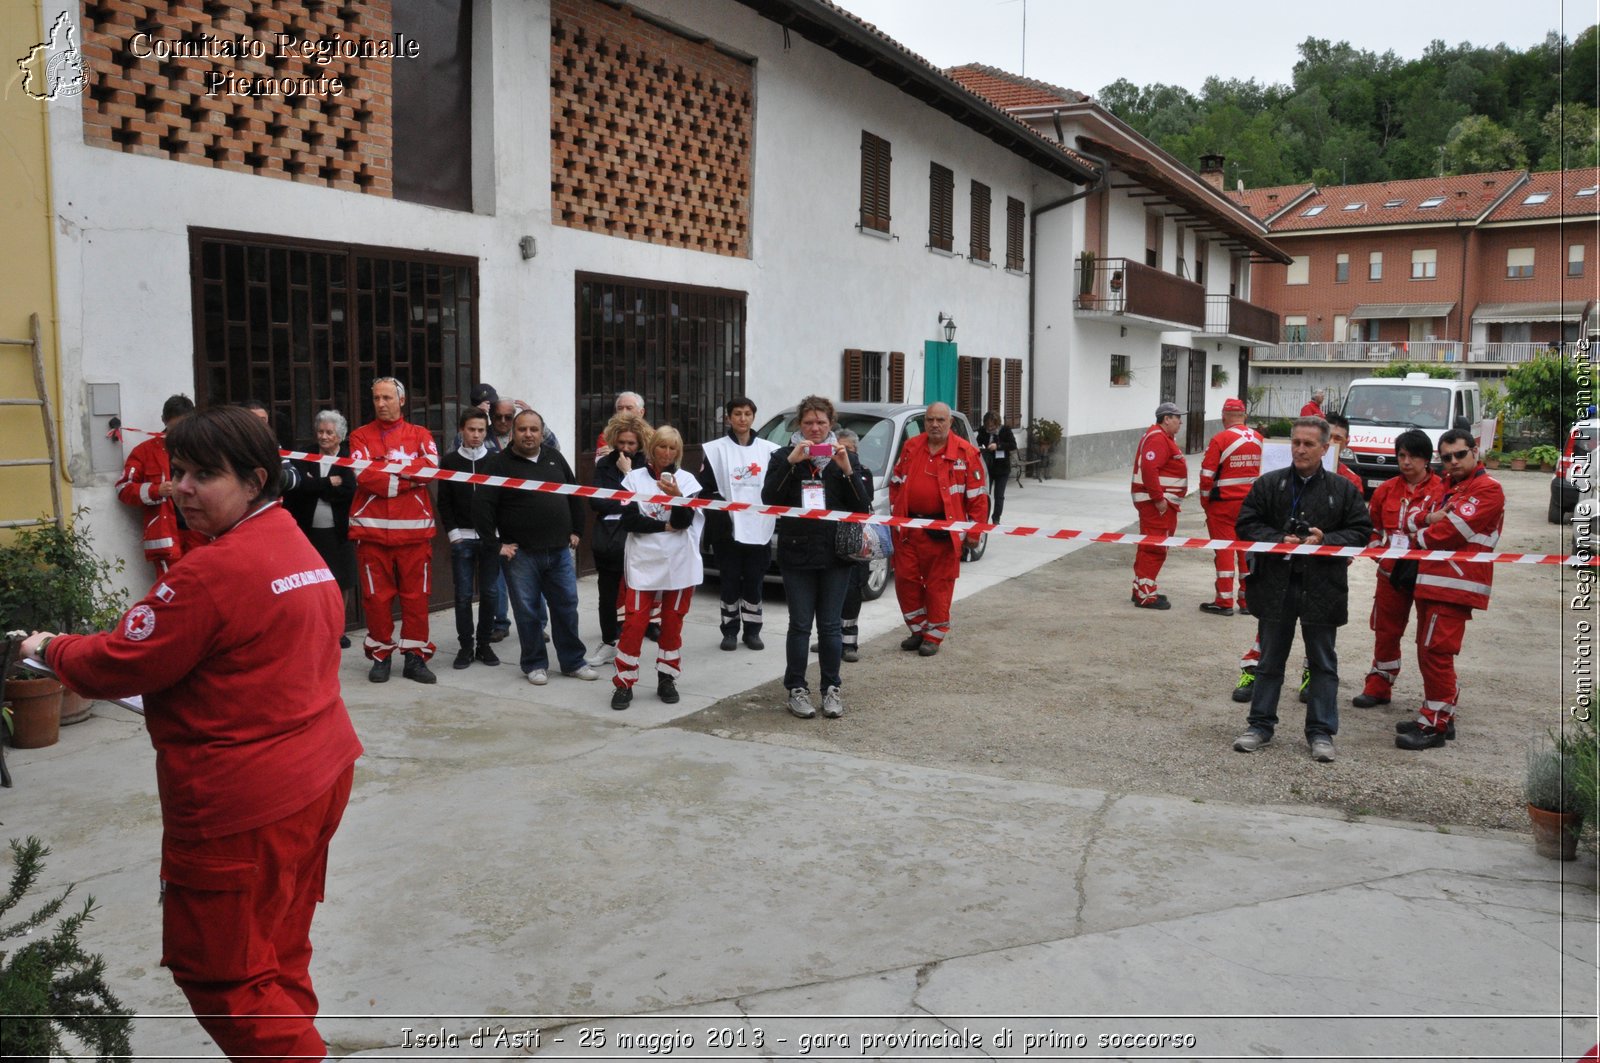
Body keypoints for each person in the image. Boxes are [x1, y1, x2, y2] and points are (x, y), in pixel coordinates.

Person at [21, 405, 362, 1063]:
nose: (180, 487)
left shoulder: (211, 573)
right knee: (277, 950)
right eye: (177, 470)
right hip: (316, 776)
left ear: (255, 479)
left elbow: (115, 661)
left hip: (244, 802)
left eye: (204, 474)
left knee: (224, 975)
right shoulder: (292, 543)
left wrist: (48, 645)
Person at [1231, 416, 1372, 763]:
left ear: (1326, 448)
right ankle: (1260, 726)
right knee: (1269, 661)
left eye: (1308, 444)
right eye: (1295, 442)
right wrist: (1279, 539)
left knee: (1323, 664)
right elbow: (1246, 523)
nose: (1300, 449)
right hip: (1275, 586)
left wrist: (1327, 539)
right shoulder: (1269, 484)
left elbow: (1361, 532)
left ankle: (1321, 733)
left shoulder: (1343, 490)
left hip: (1322, 587)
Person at [1394, 427, 1505, 750]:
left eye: (1459, 454)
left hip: (1456, 582)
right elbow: (1411, 517)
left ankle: (1435, 726)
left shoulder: (1488, 489)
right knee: (1427, 650)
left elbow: (1446, 534)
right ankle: (1439, 714)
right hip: (1433, 581)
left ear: (1475, 451)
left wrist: (1425, 527)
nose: (1453, 462)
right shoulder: (1448, 486)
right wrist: (1429, 519)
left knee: (1437, 653)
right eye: (1446, 458)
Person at [762, 394, 871, 719]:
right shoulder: (783, 455)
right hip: (797, 553)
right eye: (808, 422)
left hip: (835, 556)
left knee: (830, 627)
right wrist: (792, 462)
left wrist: (847, 469)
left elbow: (862, 507)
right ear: (799, 424)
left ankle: (831, 689)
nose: (815, 428)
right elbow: (769, 497)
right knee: (799, 625)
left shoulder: (843, 457)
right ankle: (796, 688)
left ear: (831, 424)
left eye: (821, 422)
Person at [472, 409, 599, 686]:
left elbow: (575, 494)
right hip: (521, 555)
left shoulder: (554, 457)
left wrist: (577, 529)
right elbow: (482, 508)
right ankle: (534, 663)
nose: (528, 434)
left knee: (567, 608)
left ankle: (573, 662)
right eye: (522, 429)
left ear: (542, 432)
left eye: (534, 429)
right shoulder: (498, 464)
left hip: (559, 551)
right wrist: (495, 545)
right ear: (512, 433)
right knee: (528, 612)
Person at [347, 377, 440, 684]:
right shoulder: (359, 436)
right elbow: (364, 476)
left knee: (416, 599)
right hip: (372, 535)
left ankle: (415, 658)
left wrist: (388, 473)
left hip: (414, 535)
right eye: (376, 398)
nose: (381, 403)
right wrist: (407, 477)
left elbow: (430, 469)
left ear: (401, 401)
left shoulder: (420, 434)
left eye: (387, 397)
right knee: (376, 599)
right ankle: (380, 656)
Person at [610, 425, 704, 710]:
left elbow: (685, 522)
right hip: (644, 561)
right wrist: (664, 525)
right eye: (662, 446)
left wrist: (676, 496)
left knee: (673, 622)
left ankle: (667, 677)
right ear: (652, 448)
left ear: (679, 451)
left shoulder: (687, 481)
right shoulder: (633, 479)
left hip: (679, 562)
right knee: (635, 623)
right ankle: (624, 683)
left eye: (673, 448)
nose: (667, 452)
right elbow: (628, 520)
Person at [1353, 429, 1444, 711]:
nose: (1406, 462)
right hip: (1390, 573)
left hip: (1427, 572)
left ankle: (1437, 697)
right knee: (1385, 630)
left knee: (1430, 640)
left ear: (1427, 459)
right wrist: (1379, 554)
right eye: (1402, 456)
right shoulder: (1385, 490)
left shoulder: (1442, 490)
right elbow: (1372, 527)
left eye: (1413, 456)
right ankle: (1379, 685)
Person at [888, 401, 987, 655]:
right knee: (905, 581)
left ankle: (934, 634)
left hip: (943, 534)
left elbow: (977, 498)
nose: (934, 424)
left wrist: (974, 532)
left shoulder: (966, 454)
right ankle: (918, 629)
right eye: (930, 419)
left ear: (950, 423)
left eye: (940, 420)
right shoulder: (911, 447)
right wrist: (896, 515)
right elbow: (896, 482)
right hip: (910, 530)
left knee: (938, 585)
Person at [698, 396, 780, 652]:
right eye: (737, 414)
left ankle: (753, 631)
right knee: (730, 581)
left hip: (759, 526)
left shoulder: (770, 449)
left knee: (755, 580)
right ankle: (730, 630)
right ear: (728, 418)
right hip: (728, 529)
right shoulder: (715, 449)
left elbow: (776, 486)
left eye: (747, 414)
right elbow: (706, 489)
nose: (742, 419)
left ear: (753, 417)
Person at [285, 409, 356, 649]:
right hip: (307, 531)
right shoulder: (304, 455)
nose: (324, 437)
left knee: (340, 581)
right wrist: (327, 484)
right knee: (309, 582)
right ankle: (312, 629)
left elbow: (347, 491)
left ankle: (338, 630)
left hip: (337, 532)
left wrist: (315, 486)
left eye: (329, 432)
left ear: (340, 436)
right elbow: (298, 488)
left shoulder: (348, 459)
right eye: (320, 431)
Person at [437, 408, 502, 670]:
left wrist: (499, 535)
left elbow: (504, 501)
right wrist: (453, 534)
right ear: (462, 430)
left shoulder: (496, 461)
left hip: (491, 540)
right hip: (462, 538)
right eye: (471, 429)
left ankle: (484, 644)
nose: (476, 435)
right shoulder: (450, 461)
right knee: (463, 595)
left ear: (486, 432)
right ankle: (465, 646)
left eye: (481, 430)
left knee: (490, 592)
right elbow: (445, 502)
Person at [116, 393, 198, 578]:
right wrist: (156, 491)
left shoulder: (203, 447)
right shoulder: (145, 452)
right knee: (171, 591)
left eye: (185, 427)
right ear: (164, 421)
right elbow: (123, 489)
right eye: (175, 427)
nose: (179, 433)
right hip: (166, 535)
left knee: (203, 586)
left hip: (201, 531)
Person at [589, 414, 649, 665]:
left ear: (640, 444)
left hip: (638, 537)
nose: (625, 448)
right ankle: (608, 641)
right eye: (621, 442)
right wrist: (626, 502)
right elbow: (597, 501)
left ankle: (631, 643)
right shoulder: (604, 465)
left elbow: (647, 503)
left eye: (631, 444)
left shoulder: (647, 466)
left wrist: (629, 474)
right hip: (609, 539)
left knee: (639, 592)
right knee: (607, 592)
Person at [1197, 397, 1262, 616]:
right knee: (1246, 550)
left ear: (1224, 416)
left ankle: (1224, 600)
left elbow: (1207, 476)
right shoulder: (1260, 438)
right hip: (1251, 506)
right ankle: (1247, 600)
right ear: (1244, 416)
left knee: (1225, 550)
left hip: (1223, 505)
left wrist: (1205, 502)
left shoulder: (1220, 439)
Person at [1130, 402, 1188, 609]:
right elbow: (1149, 468)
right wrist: (1158, 499)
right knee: (1154, 547)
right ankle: (1146, 596)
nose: (1180, 422)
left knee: (1150, 545)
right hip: (1156, 504)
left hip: (1157, 503)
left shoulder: (1161, 437)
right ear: (1166, 419)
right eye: (1177, 417)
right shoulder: (1158, 438)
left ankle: (1142, 589)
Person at [975, 411, 1017, 524]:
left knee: (999, 495)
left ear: (997, 423)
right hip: (987, 467)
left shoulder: (1005, 430)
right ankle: (984, 517)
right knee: (984, 495)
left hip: (1002, 468)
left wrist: (998, 446)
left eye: (992, 425)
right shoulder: (983, 431)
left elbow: (1013, 445)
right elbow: (977, 444)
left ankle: (996, 518)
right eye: (988, 425)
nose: (990, 428)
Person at [597, 391, 647, 457]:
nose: (624, 412)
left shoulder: (653, 435)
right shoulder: (606, 436)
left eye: (629, 408)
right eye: (620, 408)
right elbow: (601, 461)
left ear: (641, 412)